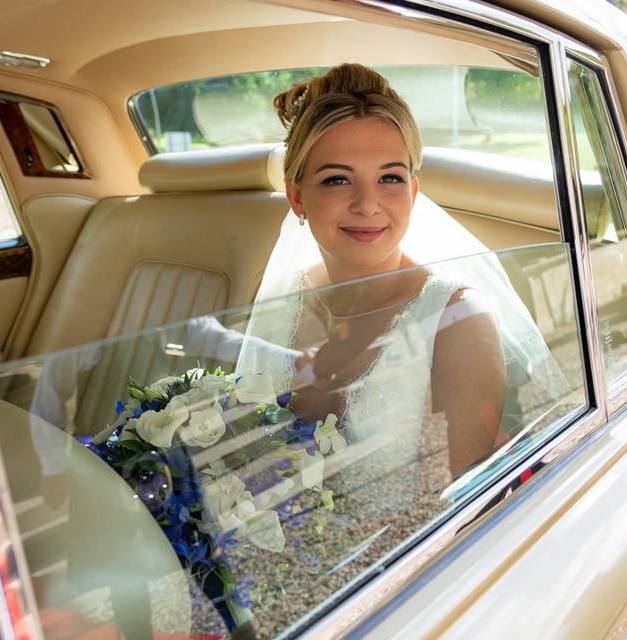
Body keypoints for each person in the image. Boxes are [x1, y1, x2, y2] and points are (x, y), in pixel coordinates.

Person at [236, 63, 569, 483]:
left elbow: (448, 512)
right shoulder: (281, 297)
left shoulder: (457, 320)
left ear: (413, 193)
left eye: (389, 178)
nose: (367, 204)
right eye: (338, 179)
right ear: (297, 196)